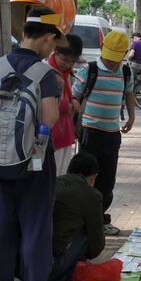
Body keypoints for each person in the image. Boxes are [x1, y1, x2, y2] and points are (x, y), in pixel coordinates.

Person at [0, 7, 66, 281]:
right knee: (35, 227)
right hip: (34, 161)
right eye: (54, 41)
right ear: (46, 37)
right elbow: (50, 116)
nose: (54, 47)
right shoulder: (46, 74)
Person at [72, 31, 135, 236]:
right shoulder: (88, 70)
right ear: (101, 50)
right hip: (90, 132)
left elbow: (129, 93)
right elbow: (74, 97)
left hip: (112, 133)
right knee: (87, 178)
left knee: (107, 181)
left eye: (116, 59)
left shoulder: (126, 72)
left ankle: (100, 219)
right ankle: (83, 220)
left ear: (125, 54)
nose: (111, 63)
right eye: (108, 58)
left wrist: (132, 117)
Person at [49, 152, 105, 281]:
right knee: (88, 234)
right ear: (92, 177)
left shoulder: (52, 183)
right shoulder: (91, 195)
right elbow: (97, 245)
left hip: (24, 265)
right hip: (53, 268)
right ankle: (64, 273)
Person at [48, 33, 83, 176]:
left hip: (64, 133)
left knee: (61, 178)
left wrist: (73, 99)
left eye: (72, 61)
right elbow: (45, 101)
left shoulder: (65, 72)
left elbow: (68, 95)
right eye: (65, 59)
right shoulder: (49, 72)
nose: (68, 64)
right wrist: (67, 106)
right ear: (55, 51)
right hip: (53, 136)